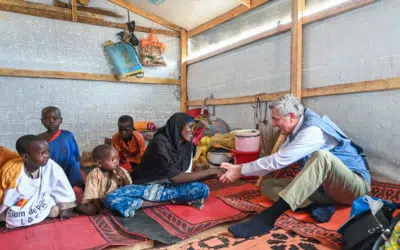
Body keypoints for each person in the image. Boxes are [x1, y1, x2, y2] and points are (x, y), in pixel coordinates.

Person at [219, 94, 371, 238]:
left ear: (291, 116)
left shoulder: (313, 130)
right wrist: (240, 168)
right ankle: (314, 207)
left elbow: (278, 160)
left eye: (276, 119)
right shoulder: (295, 131)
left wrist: (240, 170)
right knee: (268, 184)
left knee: (322, 157)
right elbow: (275, 160)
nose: (273, 124)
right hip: (325, 189)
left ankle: (268, 218)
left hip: (353, 189)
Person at [103, 112, 226, 217]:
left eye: (194, 128)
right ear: (178, 126)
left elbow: (184, 176)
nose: (193, 131)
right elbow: (176, 177)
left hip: (169, 188)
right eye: (190, 127)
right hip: (145, 185)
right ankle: (166, 202)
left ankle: (157, 200)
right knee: (111, 199)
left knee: (203, 189)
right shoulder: (160, 143)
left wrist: (215, 174)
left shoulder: (188, 146)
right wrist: (211, 171)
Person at [0, 135, 76, 228]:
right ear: (26, 157)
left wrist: (66, 207)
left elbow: (62, 184)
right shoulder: (12, 171)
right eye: (42, 153)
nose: (47, 156)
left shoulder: (50, 164)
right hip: (18, 203)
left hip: (39, 199)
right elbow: (7, 195)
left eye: (47, 152)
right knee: (12, 218)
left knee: (54, 212)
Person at [77, 144, 132, 215]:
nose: (116, 162)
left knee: (130, 196)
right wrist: (100, 208)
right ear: (99, 163)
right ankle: (77, 208)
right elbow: (93, 195)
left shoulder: (120, 171)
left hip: (113, 198)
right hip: (96, 201)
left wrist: (123, 176)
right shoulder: (94, 174)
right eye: (112, 160)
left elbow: (128, 186)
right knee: (91, 210)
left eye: (117, 159)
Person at [38, 106, 84, 188]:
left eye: (55, 119)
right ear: (42, 121)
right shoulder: (38, 138)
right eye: (47, 119)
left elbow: (74, 157)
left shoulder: (67, 136)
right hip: (47, 172)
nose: (51, 122)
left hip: (66, 171)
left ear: (61, 120)